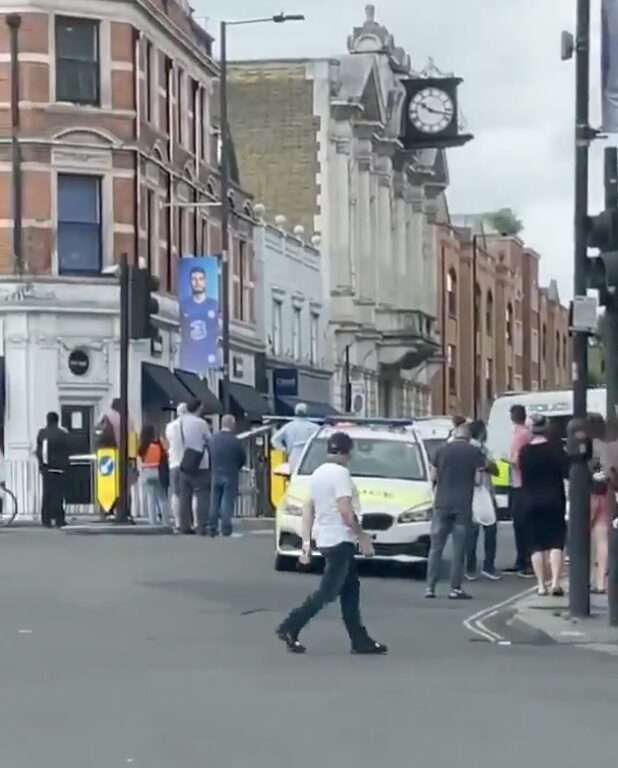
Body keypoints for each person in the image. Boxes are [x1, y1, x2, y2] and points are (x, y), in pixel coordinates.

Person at [276, 431, 387, 655]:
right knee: (327, 592)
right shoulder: (341, 475)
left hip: (326, 538)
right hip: (340, 540)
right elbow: (346, 511)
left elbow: (308, 508)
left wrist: (306, 544)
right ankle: (291, 626)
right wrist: (362, 536)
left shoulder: (318, 473)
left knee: (350, 590)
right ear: (348, 453)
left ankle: (359, 640)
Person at [425, 422, 487, 600]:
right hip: (462, 506)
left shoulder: (441, 450)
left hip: (442, 503)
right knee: (459, 550)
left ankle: (430, 587)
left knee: (436, 548)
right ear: (468, 438)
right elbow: (478, 480)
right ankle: (455, 589)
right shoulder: (475, 453)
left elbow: (433, 477)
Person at [519, 415, 568, 597]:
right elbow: (566, 471)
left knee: (536, 545)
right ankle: (555, 582)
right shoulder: (556, 450)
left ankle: (540, 585)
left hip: (531, 501)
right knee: (556, 543)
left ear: (532, 430)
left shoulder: (525, 452)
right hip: (554, 500)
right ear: (546, 429)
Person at [465, 420, 501, 581]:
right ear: (480, 432)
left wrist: (488, 465)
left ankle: (474, 567)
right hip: (477, 493)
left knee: (478, 531)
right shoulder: (474, 449)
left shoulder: (483, 449)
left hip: (483, 491)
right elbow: (492, 468)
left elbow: (495, 469)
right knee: (483, 531)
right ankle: (483, 566)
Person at [506, 404, 533, 577]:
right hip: (523, 484)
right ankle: (523, 560)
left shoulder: (520, 435)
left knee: (521, 524)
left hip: (520, 484)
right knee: (523, 524)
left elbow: (518, 461)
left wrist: (506, 460)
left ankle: (523, 561)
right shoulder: (525, 433)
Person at [178, 398, 211, 535]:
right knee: (202, 494)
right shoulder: (201, 423)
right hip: (200, 463)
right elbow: (209, 439)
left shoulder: (180, 422)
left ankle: (184, 525)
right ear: (199, 408)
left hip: (184, 462)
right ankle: (201, 526)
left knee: (184, 496)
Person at [209, 414, 246, 537]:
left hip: (215, 473)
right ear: (232, 424)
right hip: (230, 473)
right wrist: (237, 466)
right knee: (227, 501)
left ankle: (212, 527)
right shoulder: (235, 441)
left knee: (214, 501)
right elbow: (242, 458)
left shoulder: (213, 439)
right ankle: (225, 528)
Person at [180, 266, 219, 371]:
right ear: (190, 281)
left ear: (205, 281)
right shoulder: (184, 305)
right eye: (194, 279)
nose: (197, 282)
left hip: (208, 357)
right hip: (189, 357)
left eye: (201, 279)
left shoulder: (214, 305)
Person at [36, 412, 71, 528]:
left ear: (47, 420)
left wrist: (42, 465)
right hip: (60, 469)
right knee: (59, 495)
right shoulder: (62, 434)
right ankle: (59, 519)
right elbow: (68, 450)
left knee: (47, 494)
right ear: (57, 420)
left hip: (47, 468)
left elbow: (40, 451)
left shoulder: (42, 433)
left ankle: (45, 519)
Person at [589, 415, 611, 595]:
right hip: (607, 494)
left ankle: (585, 579)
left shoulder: (590, 445)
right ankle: (601, 582)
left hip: (589, 495)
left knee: (579, 540)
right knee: (602, 540)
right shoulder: (611, 445)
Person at [137, 425, 170, 526]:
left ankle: (152, 521)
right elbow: (165, 455)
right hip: (157, 471)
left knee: (150, 498)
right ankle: (165, 521)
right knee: (162, 498)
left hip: (146, 472)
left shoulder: (142, 447)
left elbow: (139, 461)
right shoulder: (157, 446)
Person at [271, 403, 319, 472]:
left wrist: (284, 450)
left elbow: (274, 440)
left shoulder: (288, 426)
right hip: (310, 460)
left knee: (294, 478)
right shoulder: (315, 427)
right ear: (307, 412)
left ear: (295, 412)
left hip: (293, 457)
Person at [165, 403, 188, 530]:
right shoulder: (192, 425)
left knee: (176, 493)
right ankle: (190, 520)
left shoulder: (170, 427)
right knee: (189, 492)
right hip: (189, 463)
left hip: (174, 463)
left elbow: (169, 444)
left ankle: (178, 521)